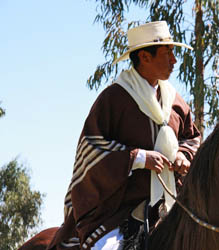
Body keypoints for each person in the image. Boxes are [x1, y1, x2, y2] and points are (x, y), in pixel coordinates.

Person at [48, 21, 201, 250]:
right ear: (144, 57)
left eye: (173, 52)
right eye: (166, 53)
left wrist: (184, 153)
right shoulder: (115, 99)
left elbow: (193, 138)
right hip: (121, 214)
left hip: (176, 205)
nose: (174, 60)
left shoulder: (176, 102)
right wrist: (138, 158)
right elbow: (91, 149)